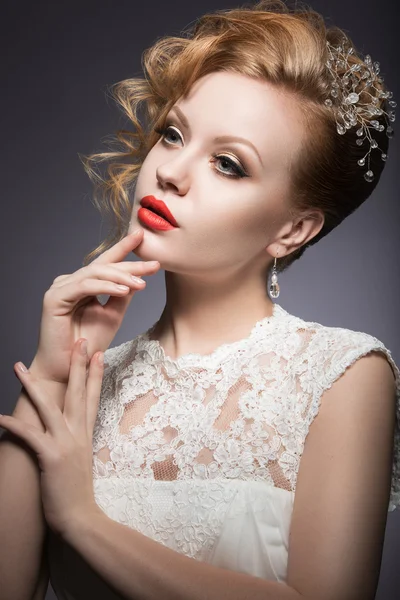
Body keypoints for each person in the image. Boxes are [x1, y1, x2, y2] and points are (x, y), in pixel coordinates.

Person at [0, 1, 398, 599]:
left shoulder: (343, 377)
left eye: (228, 164)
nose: (172, 171)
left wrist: (83, 519)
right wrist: (55, 370)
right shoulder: (89, 375)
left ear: (292, 229)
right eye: (173, 133)